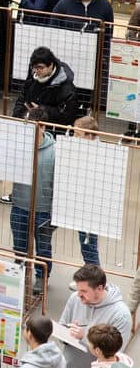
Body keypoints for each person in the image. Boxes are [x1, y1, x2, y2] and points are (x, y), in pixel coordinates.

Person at [58, 264, 132, 368]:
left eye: (84, 291)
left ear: (99, 288)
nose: (79, 295)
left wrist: (83, 336)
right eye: (78, 289)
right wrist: (66, 333)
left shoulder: (120, 315)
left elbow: (114, 354)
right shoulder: (75, 299)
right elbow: (62, 325)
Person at [9, 120, 54, 294]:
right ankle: (19, 270)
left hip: (44, 209)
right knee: (19, 244)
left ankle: (42, 277)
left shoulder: (54, 150)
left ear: (43, 127)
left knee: (43, 247)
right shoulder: (19, 146)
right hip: (20, 204)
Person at [12, 47, 79, 128]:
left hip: (51, 130)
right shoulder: (33, 74)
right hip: (28, 123)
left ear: (51, 65)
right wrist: (17, 118)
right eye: (34, 67)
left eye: (40, 67)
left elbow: (67, 116)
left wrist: (42, 110)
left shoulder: (66, 87)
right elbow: (22, 98)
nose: (36, 71)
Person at [68, 116, 101, 273]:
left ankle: (95, 277)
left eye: (78, 135)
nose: (74, 138)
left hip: (89, 207)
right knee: (86, 244)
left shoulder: (97, 155)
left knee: (88, 244)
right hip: (76, 202)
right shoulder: (82, 149)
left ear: (91, 136)